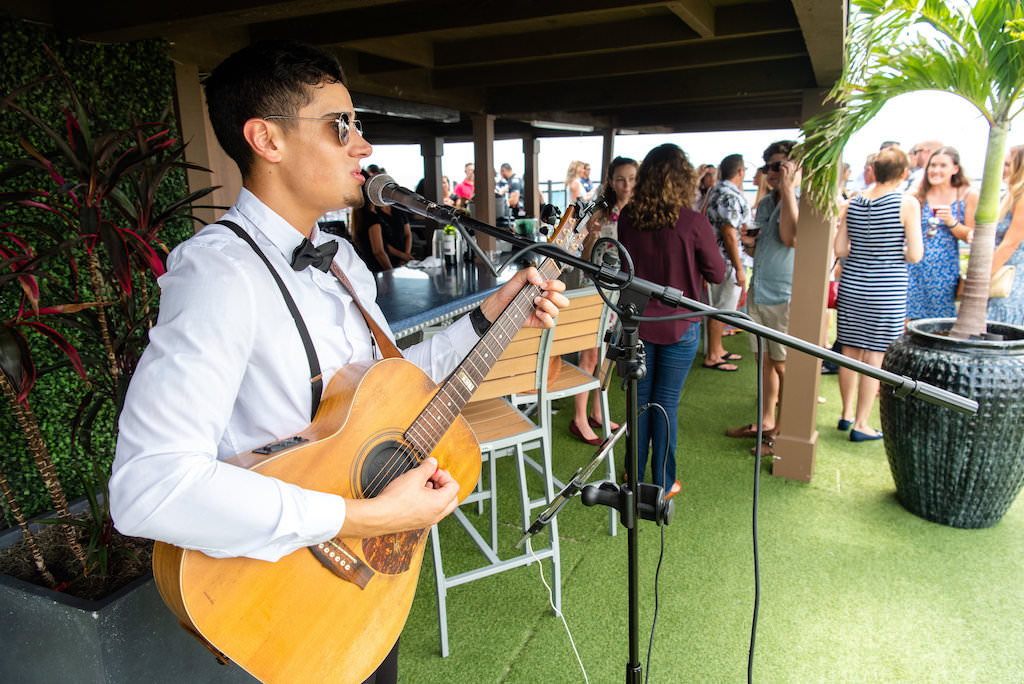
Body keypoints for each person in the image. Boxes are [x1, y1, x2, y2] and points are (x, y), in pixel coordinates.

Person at [108, 40, 568, 683]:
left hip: (363, 589)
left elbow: (389, 394)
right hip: (283, 597)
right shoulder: (220, 274)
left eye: (359, 125)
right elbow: (148, 486)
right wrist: (367, 517)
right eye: (340, 126)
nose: (364, 146)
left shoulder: (342, 261)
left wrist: (488, 318)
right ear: (266, 139)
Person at [617, 143, 725, 497]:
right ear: (683, 179)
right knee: (666, 405)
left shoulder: (629, 218)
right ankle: (661, 484)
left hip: (639, 326)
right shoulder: (693, 222)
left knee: (640, 402)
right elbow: (718, 272)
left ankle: (632, 481)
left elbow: (626, 269)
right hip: (681, 325)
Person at [834, 147, 923, 441]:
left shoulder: (855, 200)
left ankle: (845, 415)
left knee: (849, 350)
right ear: (903, 174)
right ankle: (862, 423)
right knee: (874, 355)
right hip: (886, 289)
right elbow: (915, 255)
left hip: (852, 285)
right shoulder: (906, 202)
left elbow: (841, 249)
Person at [727, 140, 799, 456]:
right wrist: (748, 245)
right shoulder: (768, 202)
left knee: (784, 366)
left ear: (795, 167)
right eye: (767, 166)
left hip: (785, 295)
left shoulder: (799, 201)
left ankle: (781, 434)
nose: (770, 173)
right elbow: (767, 245)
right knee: (764, 361)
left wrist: (788, 189)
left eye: (777, 166)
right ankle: (765, 422)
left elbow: (791, 237)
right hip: (760, 290)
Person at [566, 156, 638, 445]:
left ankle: (598, 410)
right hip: (595, 288)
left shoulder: (640, 214)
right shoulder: (599, 211)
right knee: (590, 354)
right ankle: (579, 417)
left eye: (632, 178)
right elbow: (583, 259)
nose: (627, 185)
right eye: (621, 178)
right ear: (610, 181)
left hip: (622, 291)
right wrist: (590, 237)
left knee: (609, 351)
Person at [907, 146, 977, 319]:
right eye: (932, 165)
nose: (936, 170)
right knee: (905, 318)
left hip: (944, 271)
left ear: (955, 169)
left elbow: (971, 235)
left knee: (939, 321)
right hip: (913, 267)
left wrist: (951, 222)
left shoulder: (967, 194)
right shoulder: (917, 195)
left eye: (943, 166)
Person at [701, 153, 750, 372]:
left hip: (715, 257)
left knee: (718, 307)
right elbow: (729, 232)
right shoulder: (729, 195)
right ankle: (713, 354)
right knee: (721, 309)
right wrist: (739, 267)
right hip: (726, 260)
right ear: (740, 172)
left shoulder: (714, 191)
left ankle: (717, 348)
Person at [987, 145, 1024, 326]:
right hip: (1002, 272)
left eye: (1008, 165)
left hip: (1012, 276)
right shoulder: (1007, 196)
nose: (1002, 169)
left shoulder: (1022, 197)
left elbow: (1011, 243)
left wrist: (983, 276)